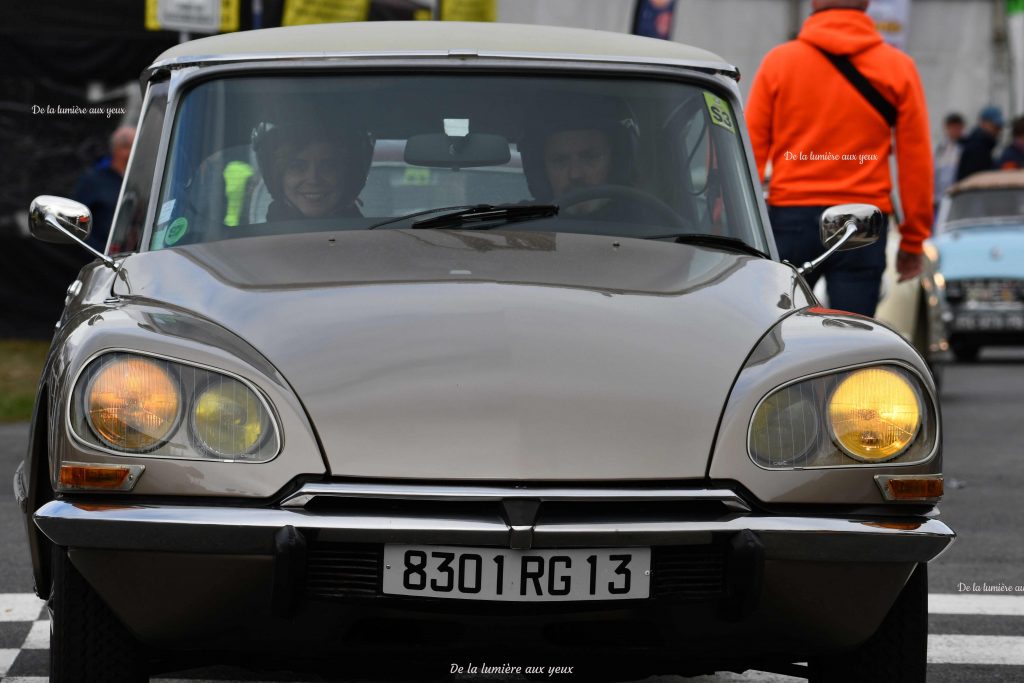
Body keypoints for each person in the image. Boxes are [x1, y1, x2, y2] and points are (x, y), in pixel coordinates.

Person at [745, 0, 933, 317]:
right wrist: (913, 240)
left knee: (779, 330)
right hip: (861, 222)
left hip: (792, 217)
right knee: (856, 336)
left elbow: (749, 152)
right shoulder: (897, 67)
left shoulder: (779, 63)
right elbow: (916, 161)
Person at [253, 121, 373, 220]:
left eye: (327, 167)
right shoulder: (254, 245)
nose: (313, 179)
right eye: (297, 167)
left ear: (348, 176)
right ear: (278, 177)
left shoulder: (376, 244)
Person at [72, 126, 135, 251]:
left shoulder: (144, 180)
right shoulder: (93, 181)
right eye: (129, 147)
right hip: (100, 259)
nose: (136, 153)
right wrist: (98, 252)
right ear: (118, 149)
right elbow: (75, 223)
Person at [956, 106, 1004, 180]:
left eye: (999, 127)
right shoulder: (977, 146)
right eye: (994, 126)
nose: (998, 130)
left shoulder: (985, 144)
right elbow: (974, 178)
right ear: (983, 123)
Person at [934, 112, 964, 207]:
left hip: (958, 198)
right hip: (940, 199)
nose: (955, 130)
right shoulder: (939, 149)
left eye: (957, 127)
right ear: (946, 127)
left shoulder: (964, 148)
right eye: (952, 127)